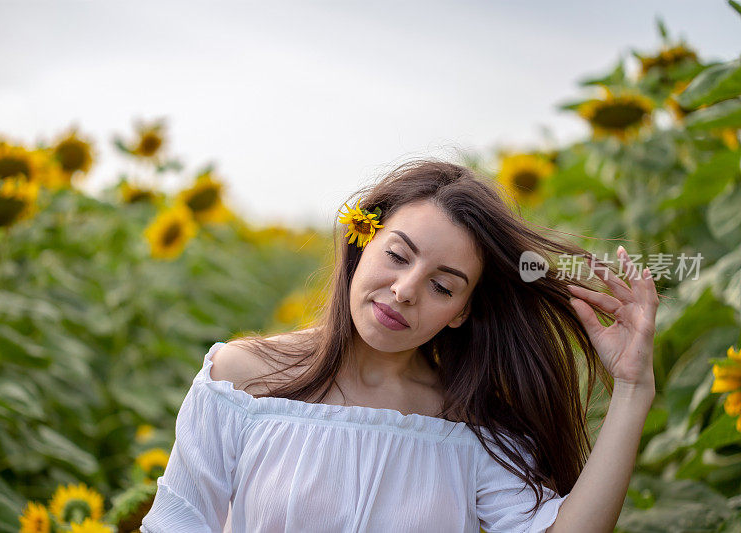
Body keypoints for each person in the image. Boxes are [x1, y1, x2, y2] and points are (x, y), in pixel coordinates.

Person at [141, 159, 659, 532]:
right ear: (362, 242)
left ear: (463, 313)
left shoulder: (469, 425)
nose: (406, 289)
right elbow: (176, 523)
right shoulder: (241, 378)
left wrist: (633, 387)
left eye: (443, 286)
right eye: (397, 255)